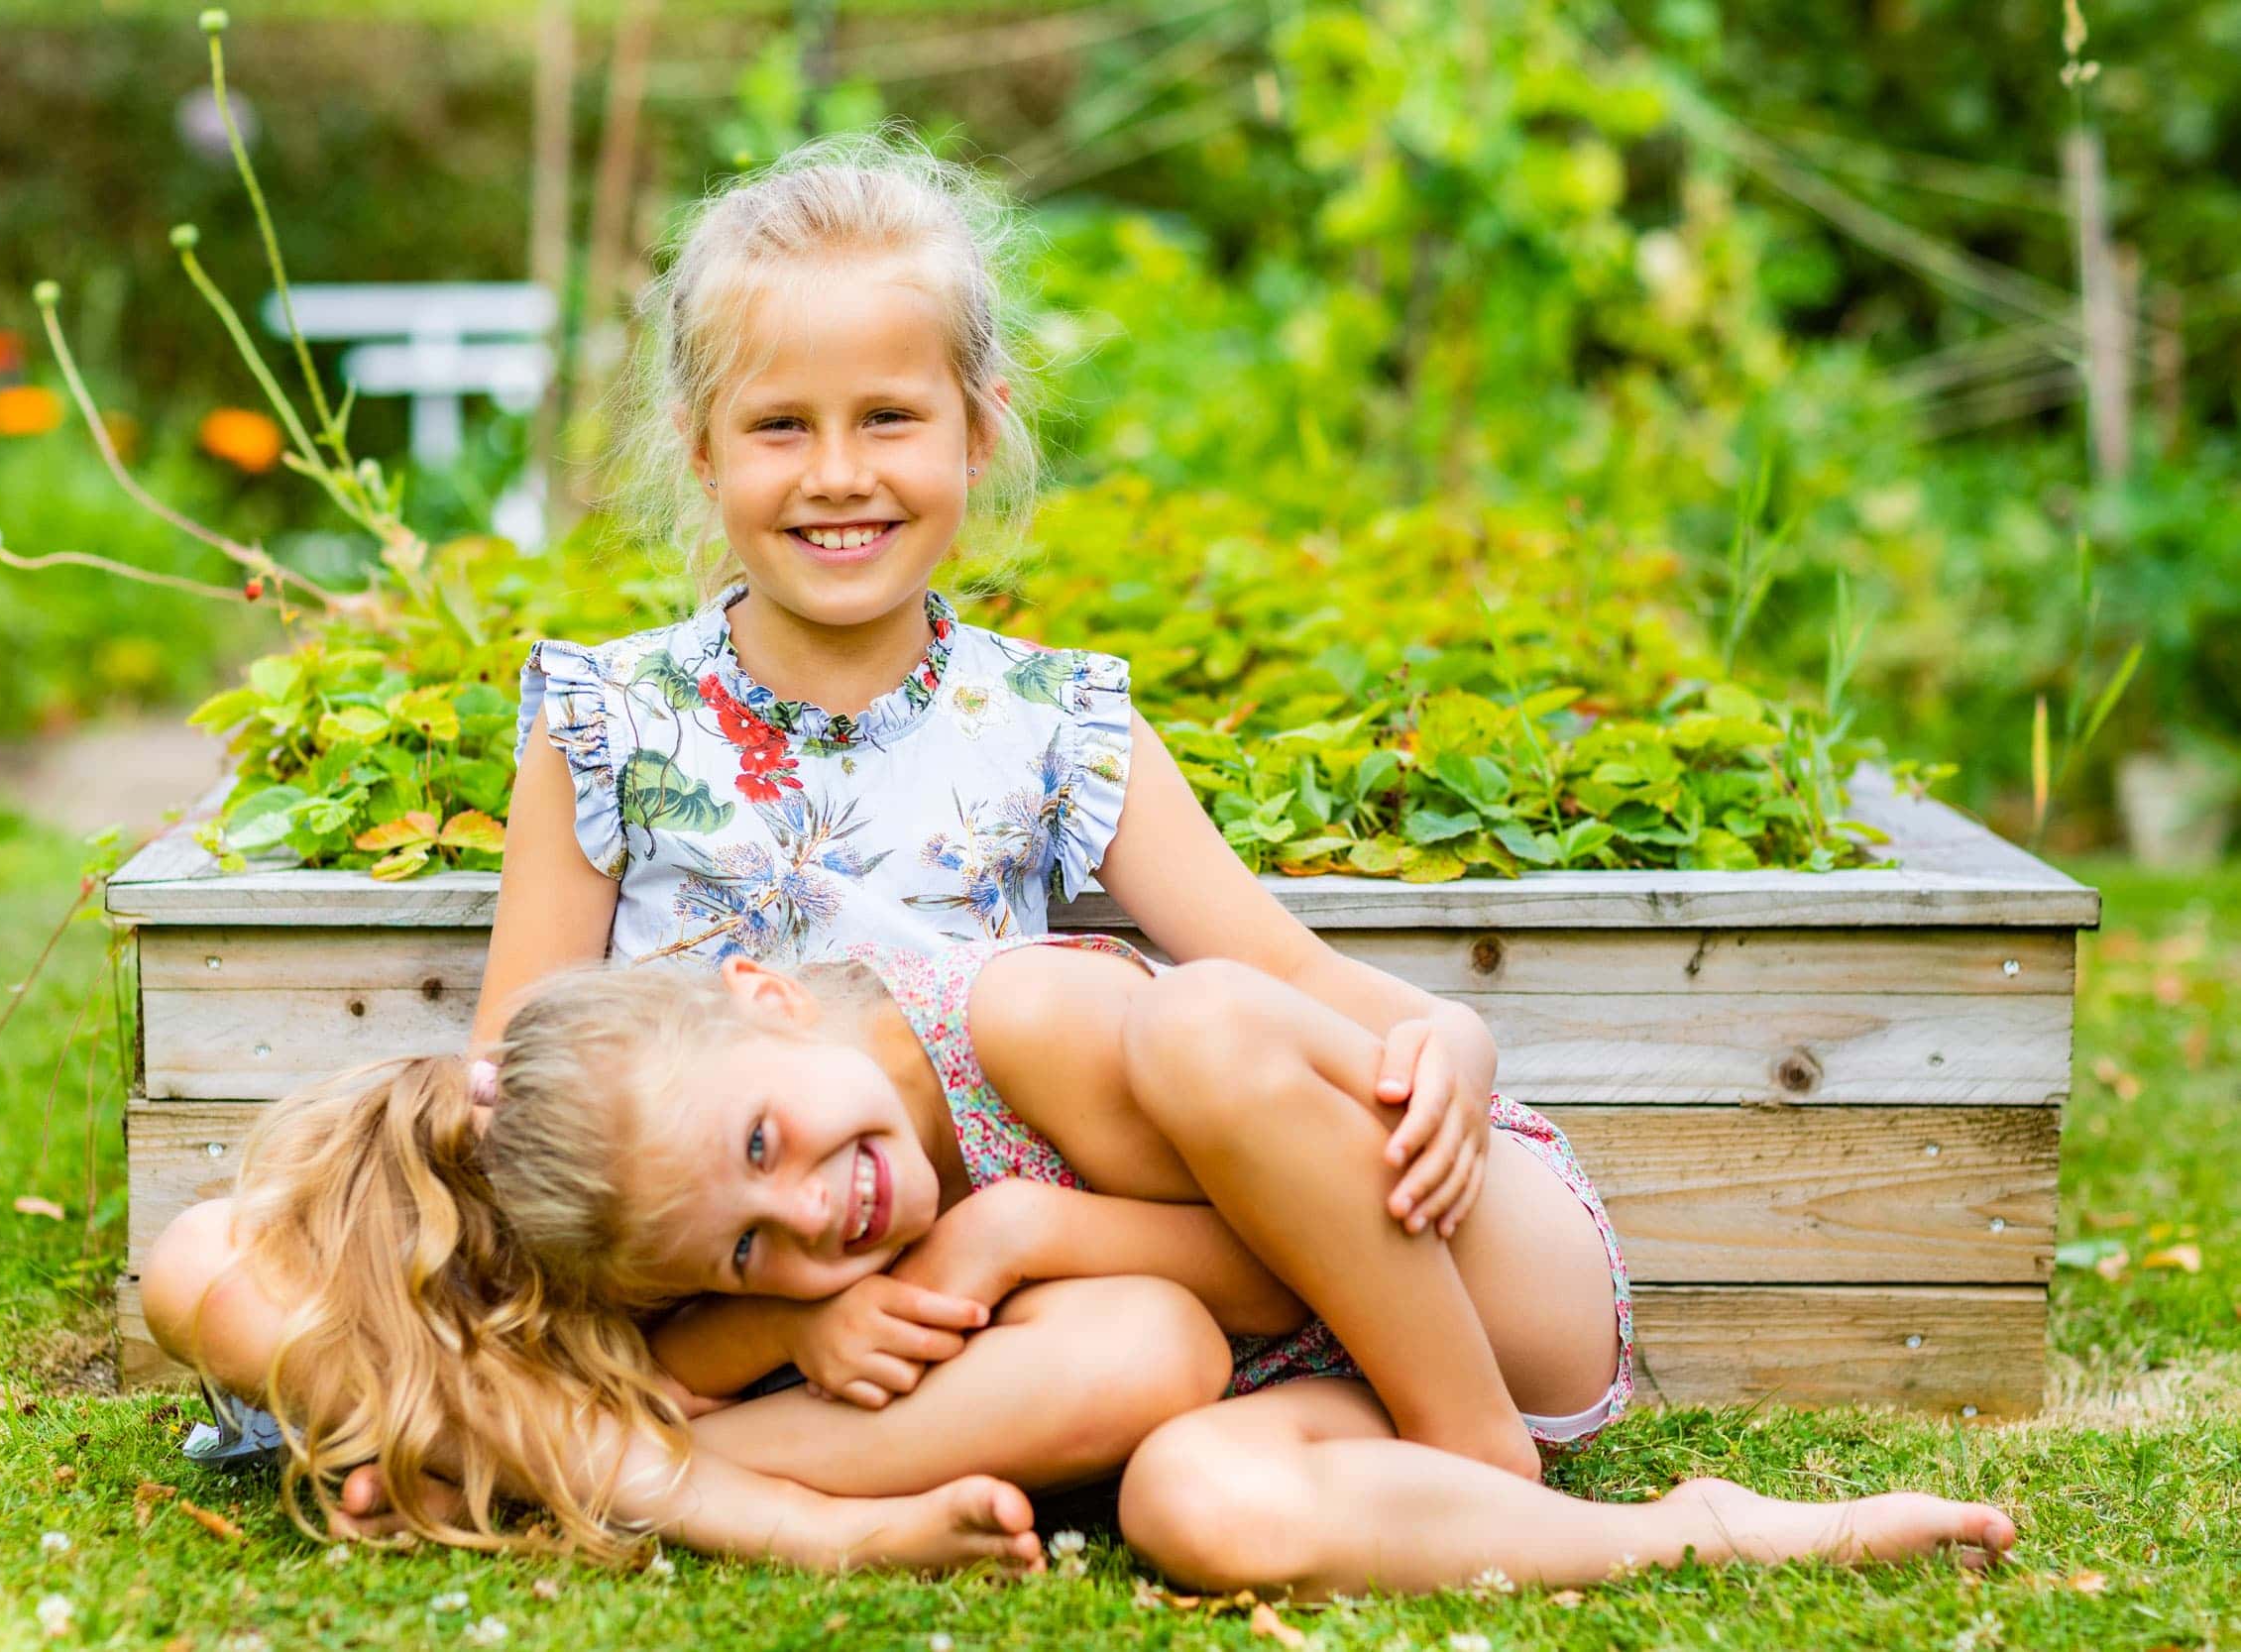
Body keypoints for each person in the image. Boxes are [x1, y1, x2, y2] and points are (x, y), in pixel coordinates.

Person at [165, 125, 1511, 1493]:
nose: (836, 474)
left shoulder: (1056, 722)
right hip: (684, 1263)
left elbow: (1276, 971)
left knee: (1144, 1347)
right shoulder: (609, 718)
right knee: (202, 1261)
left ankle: (575, 1467)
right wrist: (763, 1318)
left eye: (887, 418)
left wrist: (1442, 1028)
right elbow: (516, 1066)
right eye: (778, 427)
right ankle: (602, 1435)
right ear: (701, 452)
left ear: (978, 431)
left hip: (927, 1274)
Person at [155, 934, 2016, 1595]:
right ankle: (1695, 1525)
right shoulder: (775, 1262)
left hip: (1468, 1277)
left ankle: (1489, 1467)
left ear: (763, 992)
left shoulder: (1015, 1022)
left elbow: (1296, 1261)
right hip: (1305, 1397)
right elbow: (204, 1262)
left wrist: (1030, 1220)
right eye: (749, 1235)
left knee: (1208, 1030)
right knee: (1197, 1504)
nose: (816, 1216)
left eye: (764, 1143)